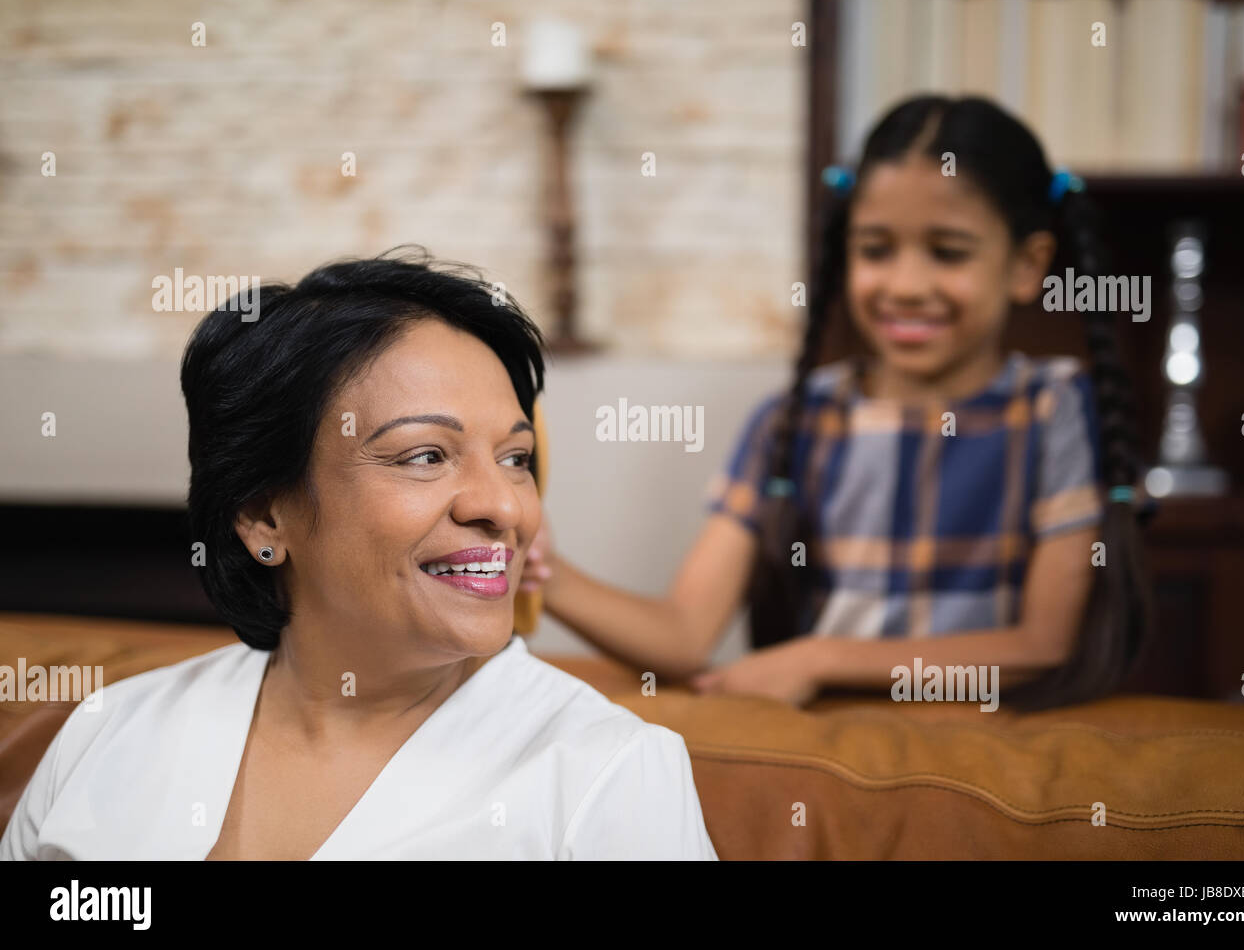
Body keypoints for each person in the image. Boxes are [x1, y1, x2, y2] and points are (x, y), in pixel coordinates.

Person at [0, 249, 717, 860]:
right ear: (261, 515)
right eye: (426, 455)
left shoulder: (611, 775)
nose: (504, 506)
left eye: (516, 458)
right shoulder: (111, 733)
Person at [524, 95, 1152, 711]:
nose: (906, 286)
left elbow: (1043, 645)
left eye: (949, 252)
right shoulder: (792, 421)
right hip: (836, 758)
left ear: (1026, 264)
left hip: (981, 757)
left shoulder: (1055, 409)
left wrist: (821, 656)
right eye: (876, 249)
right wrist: (536, 565)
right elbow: (685, 634)